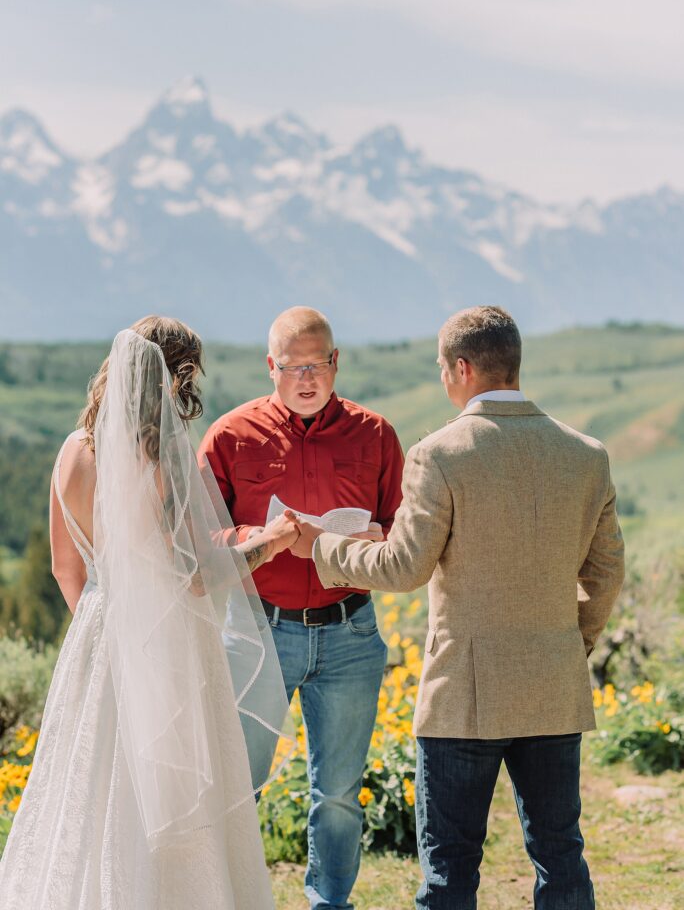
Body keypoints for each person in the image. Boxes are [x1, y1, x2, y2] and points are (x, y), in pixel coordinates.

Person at [289, 305, 625, 910]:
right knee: (560, 853)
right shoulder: (587, 455)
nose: (443, 378)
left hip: (461, 698)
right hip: (552, 681)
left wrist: (326, 548)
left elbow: (403, 567)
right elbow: (605, 573)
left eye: (444, 368)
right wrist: (571, 642)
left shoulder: (440, 454)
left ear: (463, 369)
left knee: (450, 870)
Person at [0, 316, 299, 910]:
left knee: (87, 787)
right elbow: (196, 580)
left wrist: (111, 624)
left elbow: (67, 569)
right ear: (175, 376)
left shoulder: (73, 450)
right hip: (166, 643)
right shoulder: (162, 457)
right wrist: (274, 539)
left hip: (97, 635)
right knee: (170, 787)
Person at [198, 306, 404, 910]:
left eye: (317, 365)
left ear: (336, 362)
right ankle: (229, 899)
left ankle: (328, 903)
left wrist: (353, 541)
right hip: (258, 629)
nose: (306, 378)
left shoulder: (376, 435)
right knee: (241, 786)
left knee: (339, 793)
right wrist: (263, 542)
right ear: (271, 367)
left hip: (349, 632)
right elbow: (203, 538)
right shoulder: (232, 436)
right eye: (292, 367)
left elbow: (400, 530)